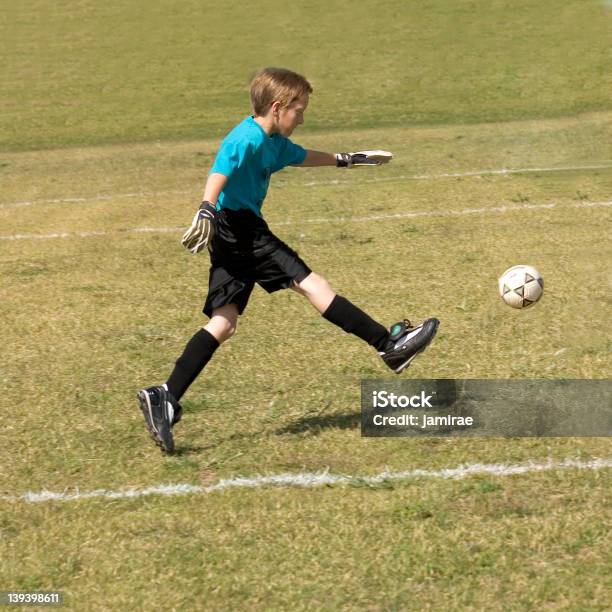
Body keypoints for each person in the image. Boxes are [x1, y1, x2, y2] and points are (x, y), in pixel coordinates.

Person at [138, 67, 439, 453]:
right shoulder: (245, 138)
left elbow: (303, 157)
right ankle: (388, 345)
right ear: (278, 107)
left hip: (235, 231)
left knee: (224, 321)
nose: (303, 117)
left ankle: (165, 395)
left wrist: (347, 159)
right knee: (313, 284)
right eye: (299, 110)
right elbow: (219, 171)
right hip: (240, 229)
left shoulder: (275, 142)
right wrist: (206, 208)